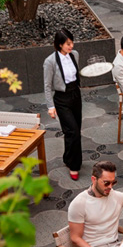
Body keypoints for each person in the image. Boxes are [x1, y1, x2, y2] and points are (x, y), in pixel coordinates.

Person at [44, 28, 82, 180]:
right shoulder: (50, 61)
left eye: (72, 42)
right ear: (60, 44)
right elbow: (47, 85)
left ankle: (68, 158)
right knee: (72, 131)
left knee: (75, 130)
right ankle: (74, 166)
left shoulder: (75, 55)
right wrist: (50, 106)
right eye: (68, 44)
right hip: (61, 99)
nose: (71, 46)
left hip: (75, 95)